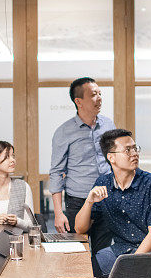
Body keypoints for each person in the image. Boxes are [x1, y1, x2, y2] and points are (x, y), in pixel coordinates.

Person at [74, 128, 151, 278]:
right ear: (111, 158)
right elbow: (80, 229)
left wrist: (130, 265)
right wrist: (89, 201)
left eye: (135, 148)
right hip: (121, 250)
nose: (134, 153)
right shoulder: (103, 184)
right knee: (87, 275)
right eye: (128, 150)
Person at [49, 77, 115, 252]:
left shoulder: (108, 125)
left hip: (105, 198)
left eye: (100, 93)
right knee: (77, 253)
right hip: (77, 202)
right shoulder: (64, 132)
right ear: (78, 101)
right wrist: (58, 213)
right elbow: (56, 172)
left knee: (103, 252)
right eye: (94, 94)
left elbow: (114, 160)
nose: (99, 98)